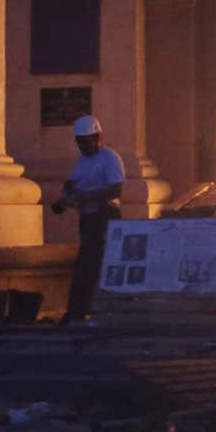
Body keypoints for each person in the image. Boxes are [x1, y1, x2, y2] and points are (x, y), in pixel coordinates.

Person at [53, 115, 125, 324]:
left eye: (87, 142)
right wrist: (66, 195)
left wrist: (85, 196)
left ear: (98, 137)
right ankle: (79, 311)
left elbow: (115, 190)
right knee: (86, 264)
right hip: (88, 217)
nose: (84, 147)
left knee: (94, 264)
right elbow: (73, 182)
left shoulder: (109, 158)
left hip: (105, 217)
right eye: (80, 143)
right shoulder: (83, 160)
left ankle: (83, 311)